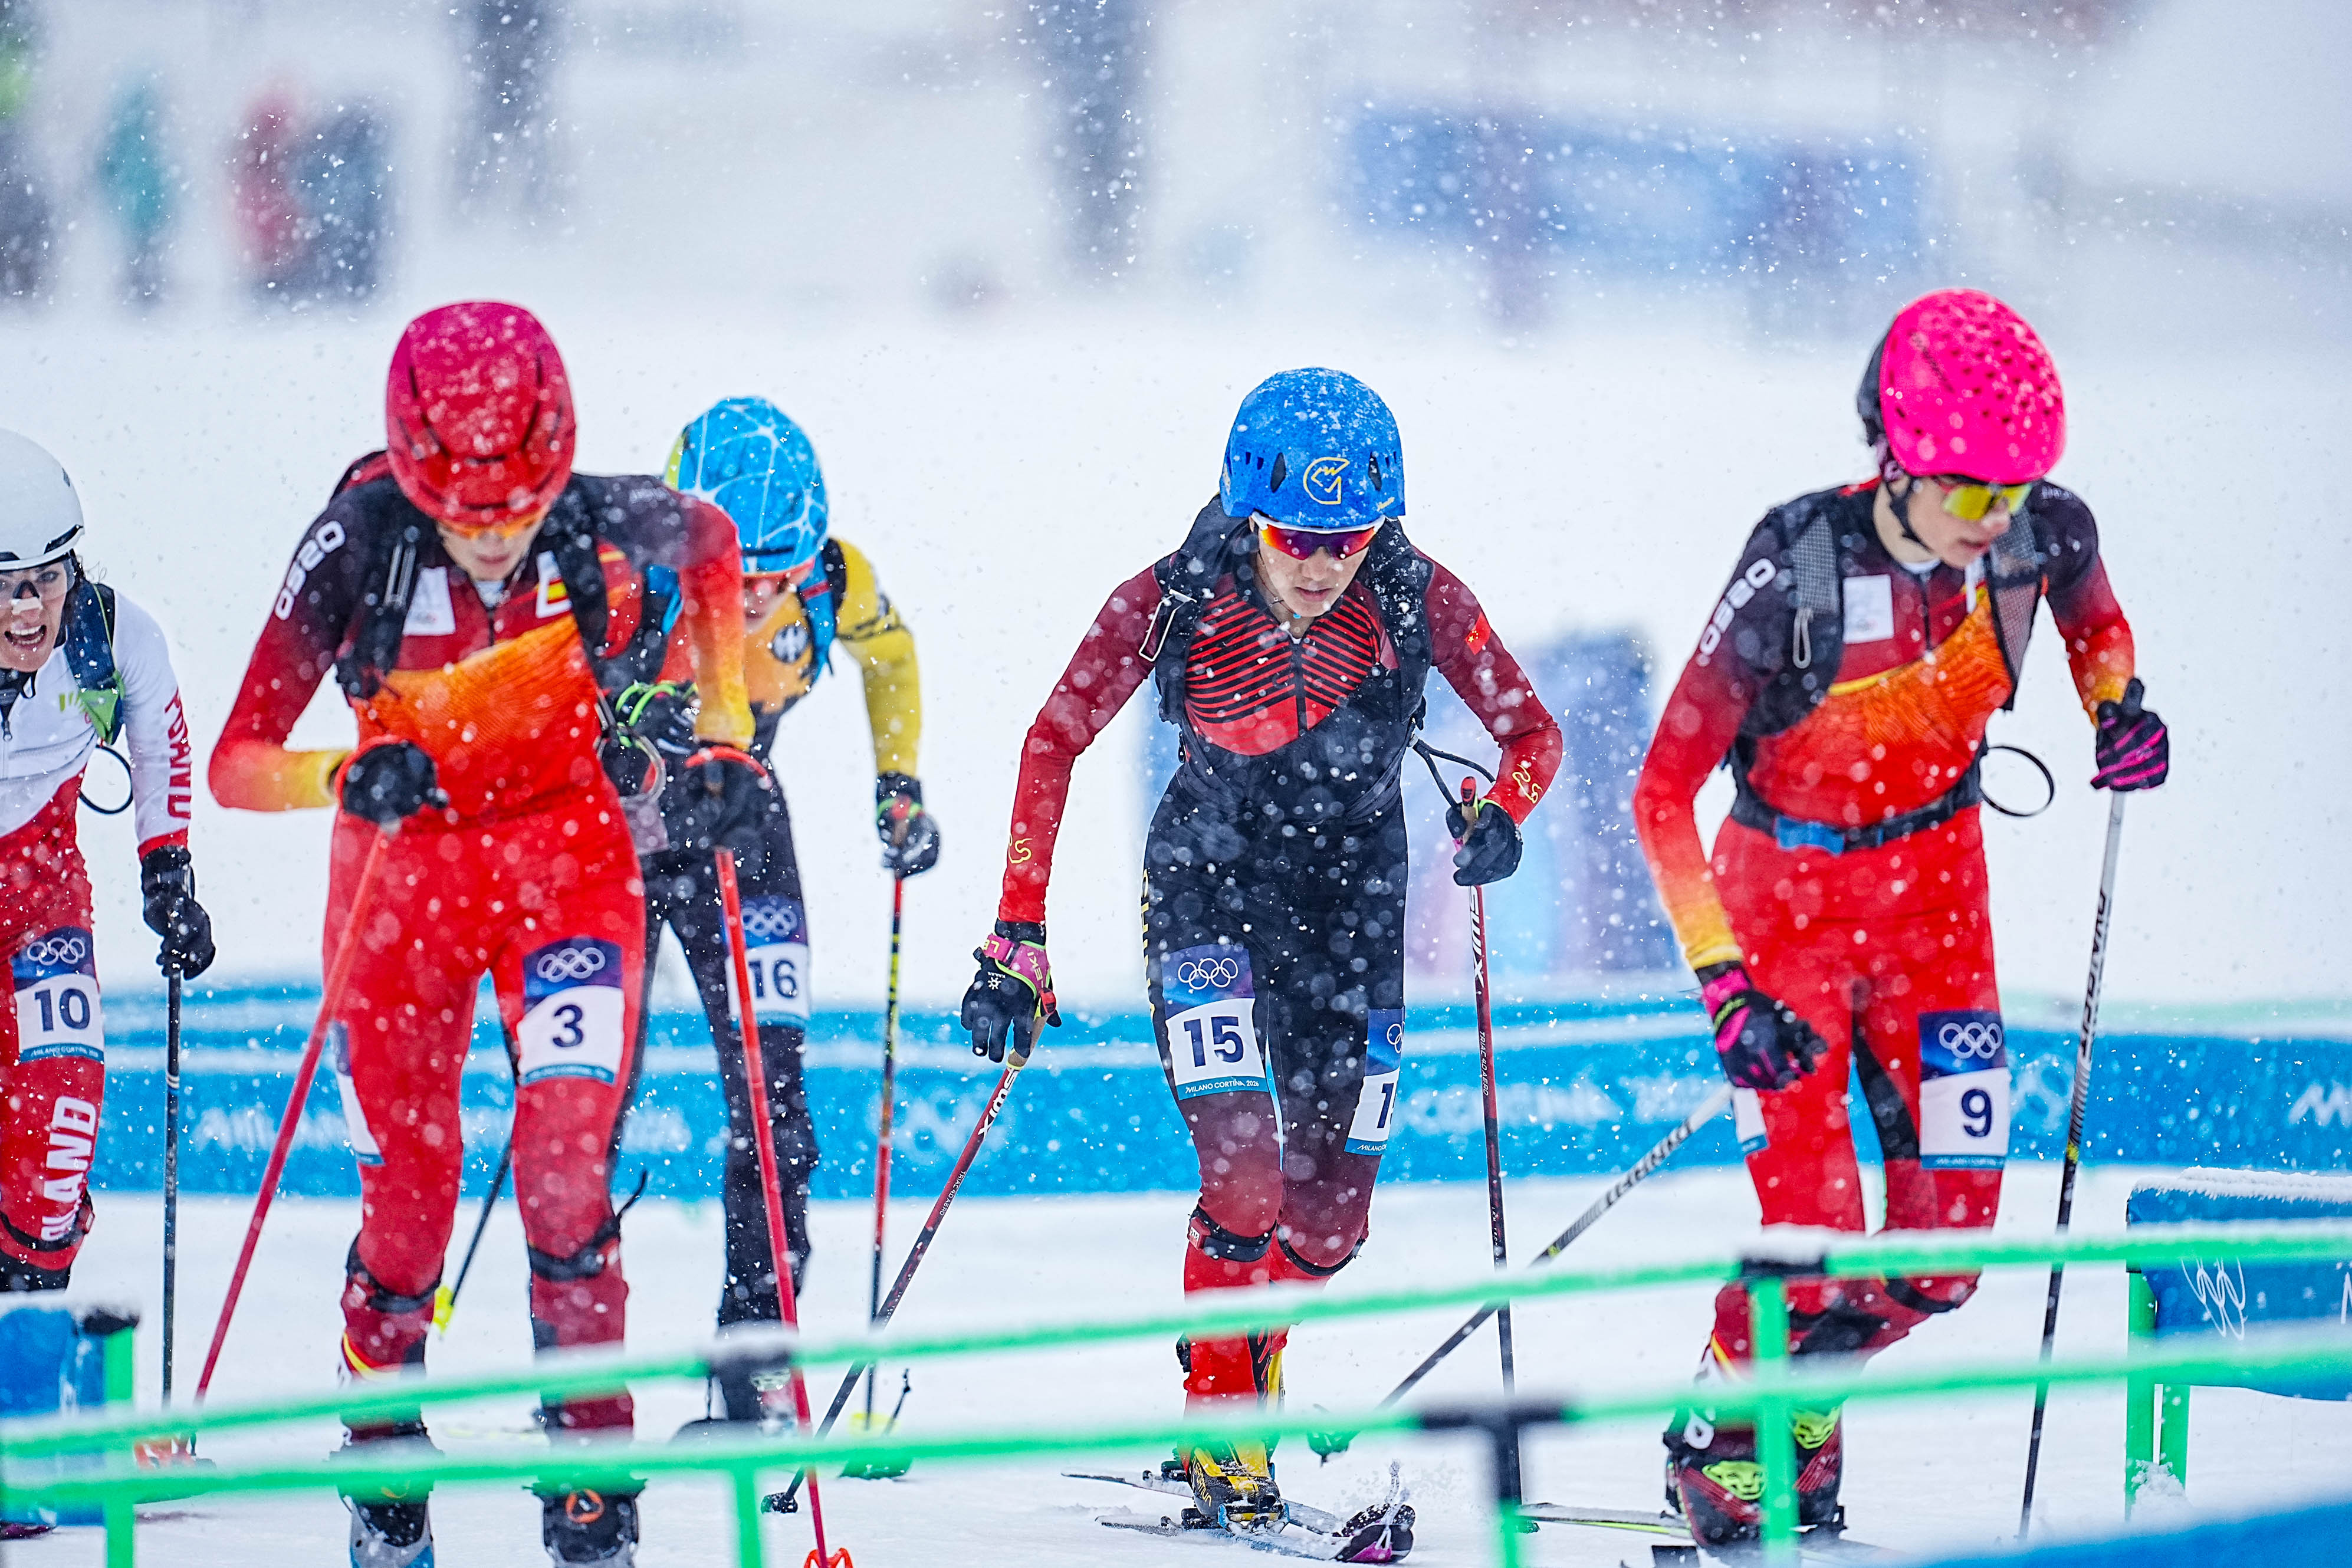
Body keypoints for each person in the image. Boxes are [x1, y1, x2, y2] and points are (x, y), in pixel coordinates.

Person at [960, 368, 1560, 1555]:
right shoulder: (1175, 595)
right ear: (1249, 511)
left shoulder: (1417, 594)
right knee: (1242, 1180)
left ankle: (1235, 1342)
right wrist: (1017, 932)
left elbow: (1532, 733)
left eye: (1350, 538)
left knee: (1329, 1226)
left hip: (1353, 908)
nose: (1324, 564)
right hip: (1209, 889)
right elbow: (1051, 738)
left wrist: (1504, 811)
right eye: (1297, 537)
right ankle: (1223, 1426)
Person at [210, 301, 753, 1568]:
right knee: (411, 1205)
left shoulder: (607, 515)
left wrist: (725, 734)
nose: (498, 535)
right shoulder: (356, 540)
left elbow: (718, 543)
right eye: (465, 515)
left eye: (521, 508)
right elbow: (238, 762)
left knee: (565, 1170)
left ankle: (591, 1481)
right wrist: (346, 775)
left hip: (569, 870)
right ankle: (383, 1451)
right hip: (401, 891)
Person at [1630, 287, 2170, 1545]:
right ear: (1896, 456)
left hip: (1939, 910)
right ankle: (1730, 1423)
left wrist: (2117, 708)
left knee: (1950, 1258)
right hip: (1782, 914)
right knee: (1811, 1240)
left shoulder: (2042, 532)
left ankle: (1801, 1403)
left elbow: (2096, 626)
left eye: (2014, 489)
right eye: (1969, 490)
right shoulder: (1796, 565)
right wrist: (1724, 984)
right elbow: (1659, 794)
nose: (1994, 518)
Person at [643, 396, 941, 1425]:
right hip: (612, 848)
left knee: (777, 1111)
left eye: (784, 569)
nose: (765, 592)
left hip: (743, 836)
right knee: (587, 1114)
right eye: (743, 571)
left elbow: (890, 655)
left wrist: (897, 786)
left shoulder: (835, 578)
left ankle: (756, 1358)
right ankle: (579, 1388)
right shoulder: (631, 578)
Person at [0, 429, 211, 1298]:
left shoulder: (115, 637)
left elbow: (164, 747)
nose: (27, 611)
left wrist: (168, 874)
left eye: (46, 579)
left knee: (62, 1117)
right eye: (4, 586)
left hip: (42, 898)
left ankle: (29, 1307)